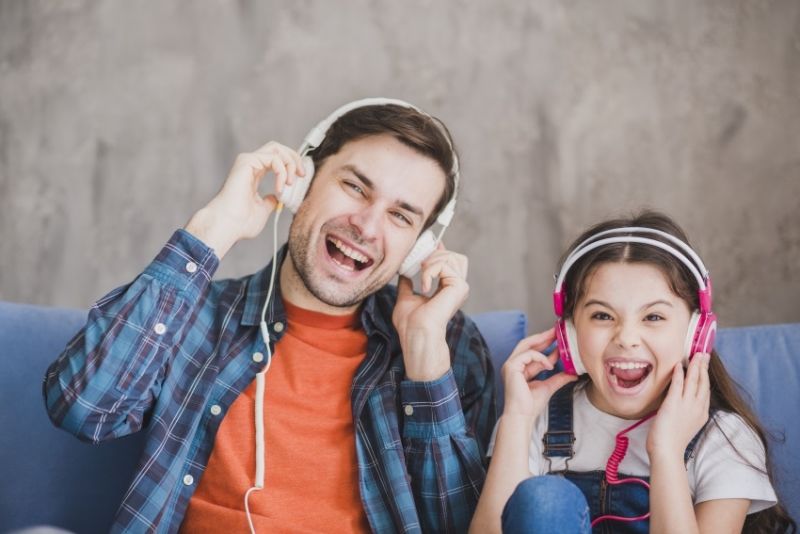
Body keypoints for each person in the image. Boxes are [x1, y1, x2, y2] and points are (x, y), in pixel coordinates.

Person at [44, 98, 496, 534]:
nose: (367, 226)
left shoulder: (445, 346)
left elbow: (462, 526)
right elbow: (83, 409)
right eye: (355, 187)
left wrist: (424, 354)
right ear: (302, 182)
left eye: (401, 216)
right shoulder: (197, 312)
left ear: (417, 247)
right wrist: (210, 232)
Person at [470, 209, 796, 533]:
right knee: (545, 499)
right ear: (569, 331)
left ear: (695, 334)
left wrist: (666, 451)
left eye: (653, 317)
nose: (626, 338)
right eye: (602, 315)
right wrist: (517, 419)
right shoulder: (535, 421)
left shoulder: (724, 438)